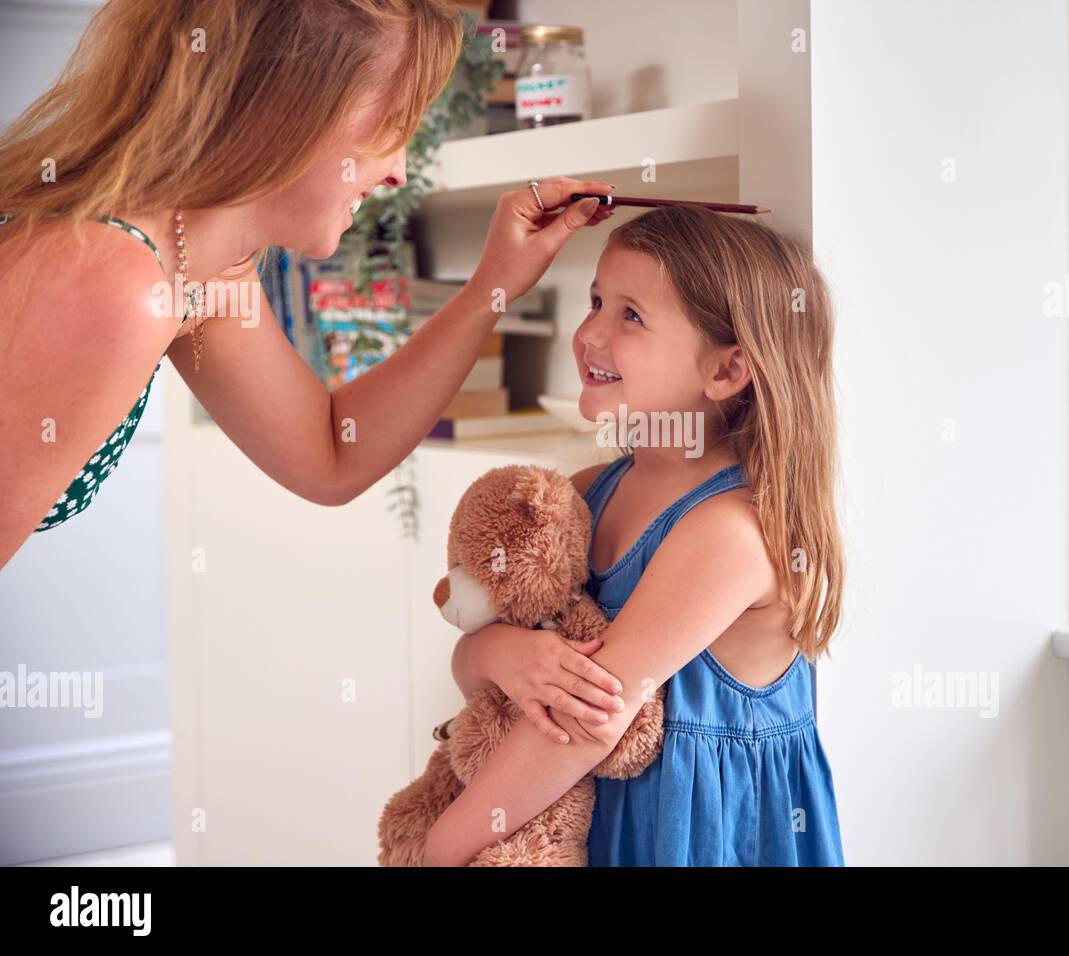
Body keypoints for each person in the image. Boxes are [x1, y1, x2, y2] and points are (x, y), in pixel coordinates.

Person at [0, 0, 614, 570]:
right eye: (395, 125)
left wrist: (494, 286)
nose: (399, 170)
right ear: (290, 107)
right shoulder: (110, 278)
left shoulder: (203, 269)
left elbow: (329, 454)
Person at [426, 205, 847, 866]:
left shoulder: (731, 534)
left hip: (694, 836)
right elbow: (471, 662)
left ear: (725, 371)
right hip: (585, 818)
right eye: (596, 301)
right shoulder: (588, 492)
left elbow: (591, 721)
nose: (590, 332)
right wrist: (500, 654)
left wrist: (443, 846)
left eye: (631, 315)